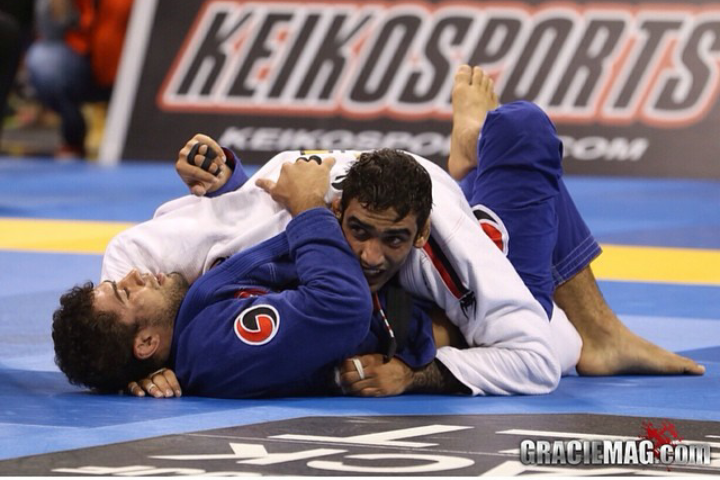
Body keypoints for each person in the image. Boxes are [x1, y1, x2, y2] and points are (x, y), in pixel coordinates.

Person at [336, 65, 704, 397]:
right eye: (360, 233)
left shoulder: (315, 205)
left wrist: (413, 374)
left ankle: (475, 155)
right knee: (522, 134)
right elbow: (537, 358)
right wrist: (414, 370)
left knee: (521, 136)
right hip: (516, 325)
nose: (370, 254)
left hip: (455, 252)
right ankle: (475, 154)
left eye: (391, 238)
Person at [52, 154, 439, 397]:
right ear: (148, 342)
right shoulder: (215, 346)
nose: (134, 276)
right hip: (412, 311)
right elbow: (339, 307)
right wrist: (307, 207)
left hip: (399, 291)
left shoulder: (198, 325)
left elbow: (245, 234)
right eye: (124, 293)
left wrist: (233, 184)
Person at [25, 0, 137, 158]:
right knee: (42, 59)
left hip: (132, 60)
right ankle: (74, 132)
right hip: (82, 61)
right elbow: (51, 28)